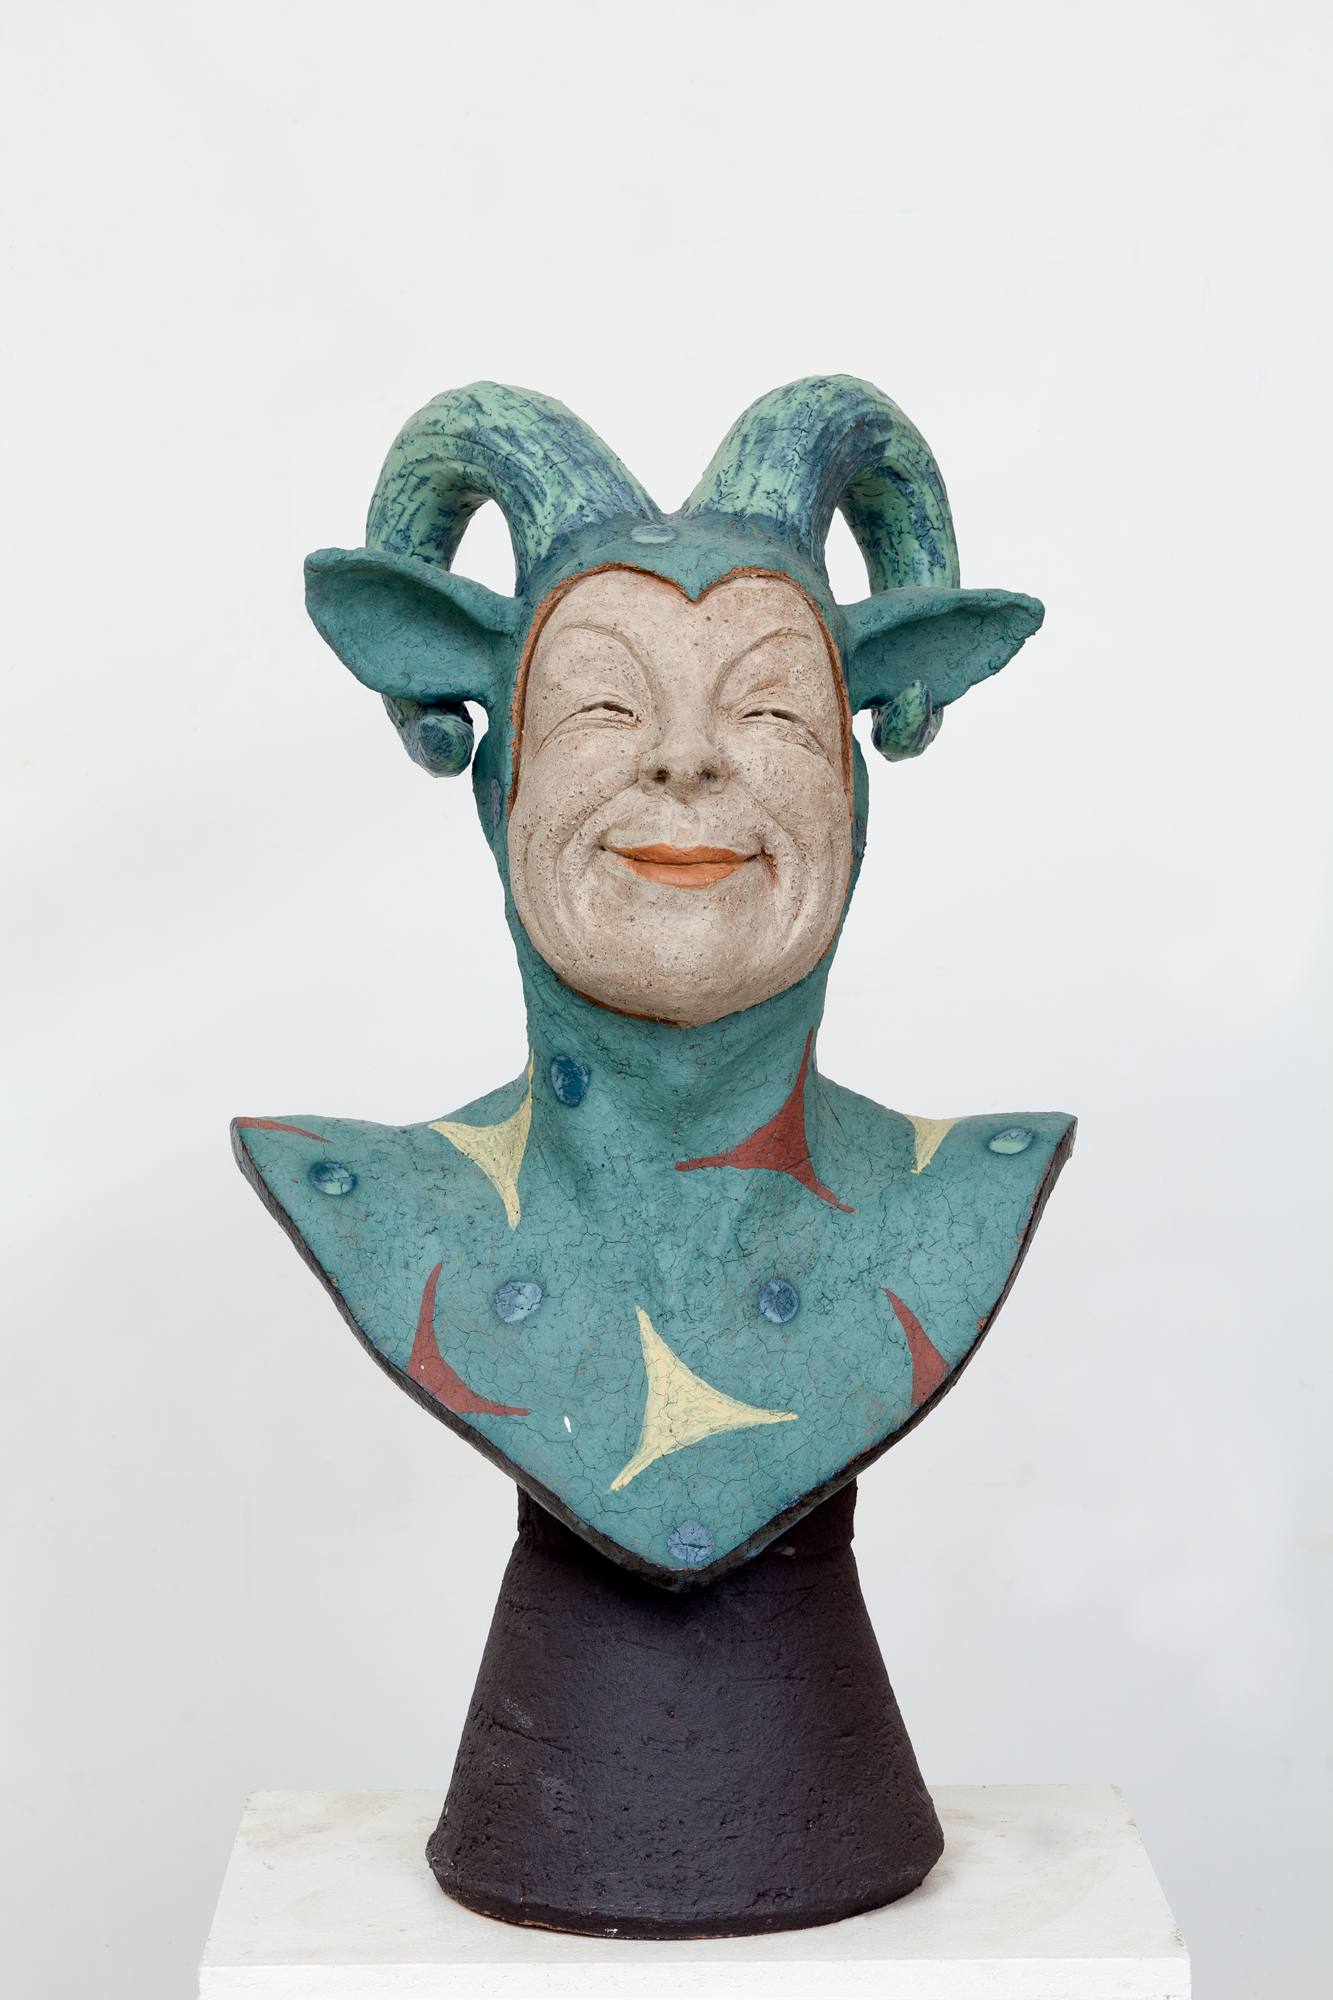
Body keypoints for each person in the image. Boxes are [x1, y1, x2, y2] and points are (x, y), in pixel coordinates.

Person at [233, 374, 1075, 1588]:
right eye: (601, 703)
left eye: (772, 706)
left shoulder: (969, 1193)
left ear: (850, 800)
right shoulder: (369, 1199)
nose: (685, 755)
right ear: (503, 786)